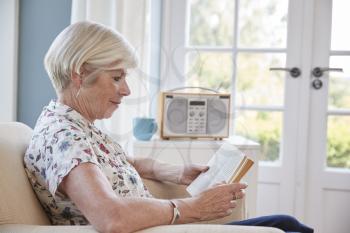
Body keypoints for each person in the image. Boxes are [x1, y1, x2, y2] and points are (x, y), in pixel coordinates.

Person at [24, 21, 313, 233]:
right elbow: (111, 216)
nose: (125, 90)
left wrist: (179, 173)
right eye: (116, 77)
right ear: (80, 73)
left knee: (285, 225)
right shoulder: (63, 136)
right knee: (286, 227)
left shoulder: (78, 126)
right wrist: (195, 207)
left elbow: (128, 163)